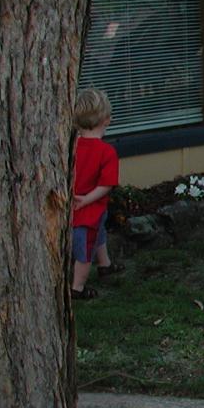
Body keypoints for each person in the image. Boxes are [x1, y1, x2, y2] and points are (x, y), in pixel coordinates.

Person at [71, 89, 121, 301]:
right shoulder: (106, 152)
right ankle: (77, 287)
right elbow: (107, 184)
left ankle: (105, 265)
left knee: (99, 234)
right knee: (85, 250)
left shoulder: (71, 146)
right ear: (107, 120)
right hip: (88, 210)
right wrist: (86, 200)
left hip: (74, 206)